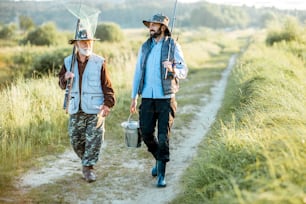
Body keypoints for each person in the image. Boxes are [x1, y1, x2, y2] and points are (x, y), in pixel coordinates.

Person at [130, 13, 188, 188]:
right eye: (150, 25)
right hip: (147, 97)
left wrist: (173, 68)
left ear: (163, 28)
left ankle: (161, 174)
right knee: (146, 133)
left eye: (154, 25)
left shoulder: (173, 45)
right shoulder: (145, 46)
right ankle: (159, 158)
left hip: (166, 99)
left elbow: (183, 70)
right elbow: (138, 73)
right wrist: (134, 96)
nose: (150, 28)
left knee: (163, 137)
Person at [58, 28, 115, 183]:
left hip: (95, 108)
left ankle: (88, 168)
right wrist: (65, 77)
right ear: (76, 44)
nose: (86, 44)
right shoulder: (67, 62)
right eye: (83, 41)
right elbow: (61, 84)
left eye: (89, 42)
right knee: (75, 140)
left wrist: (107, 104)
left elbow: (107, 85)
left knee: (95, 139)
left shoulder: (99, 62)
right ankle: (86, 160)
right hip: (75, 107)